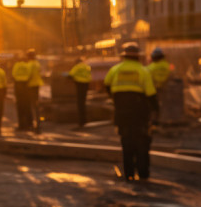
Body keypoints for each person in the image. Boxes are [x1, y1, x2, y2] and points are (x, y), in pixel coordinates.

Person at [104, 42, 157, 182]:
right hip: (139, 113)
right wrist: (156, 111)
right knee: (142, 143)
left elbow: (107, 85)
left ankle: (129, 174)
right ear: (137, 57)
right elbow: (151, 94)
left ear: (124, 56)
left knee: (126, 143)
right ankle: (143, 174)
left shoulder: (115, 70)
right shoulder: (143, 71)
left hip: (122, 113)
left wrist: (115, 99)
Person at [147, 47, 171, 123]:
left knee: (153, 107)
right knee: (165, 106)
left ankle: (154, 121)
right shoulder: (168, 66)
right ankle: (165, 120)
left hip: (153, 90)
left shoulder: (150, 67)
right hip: (165, 90)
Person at [68, 57, 92, 127]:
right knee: (83, 102)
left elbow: (71, 75)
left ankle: (81, 121)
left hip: (79, 85)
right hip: (86, 85)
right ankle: (84, 120)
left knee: (80, 103)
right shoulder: (87, 66)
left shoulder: (77, 67)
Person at [11, 53, 32, 130]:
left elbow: (13, 75)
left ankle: (21, 125)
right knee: (27, 106)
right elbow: (30, 74)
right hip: (26, 86)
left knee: (20, 107)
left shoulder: (16, 65)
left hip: (18, 86)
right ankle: (29, 124)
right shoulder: (27, 65)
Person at [26, 49, 43, 133]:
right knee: (36, 104)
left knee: (32, 105)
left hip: (31, 86)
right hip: (37, 84)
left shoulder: (29, 65)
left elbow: (28, 75)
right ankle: (38, 123)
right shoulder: (37, 64)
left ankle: (33, 124)